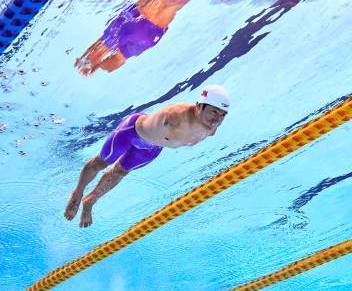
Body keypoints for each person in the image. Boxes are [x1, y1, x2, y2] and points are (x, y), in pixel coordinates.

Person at [64, 85, 229, 228]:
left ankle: (90, 201)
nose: (217, 119)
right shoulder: (175, 116)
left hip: (152, 148)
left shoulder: (211, 128)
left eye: (222, 115)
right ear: (199, 106)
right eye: (214, 111)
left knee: (119, 173)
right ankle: (78, 193)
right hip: (131, 132)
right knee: (100, 163)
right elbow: (168, 115)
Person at [75, 0, 211, 75]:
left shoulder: (110, 41)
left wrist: (97, 66)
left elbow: (114, 63)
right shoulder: (109, 40)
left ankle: (91, 62)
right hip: (140, 24)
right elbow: (113, 62)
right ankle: (91, 62)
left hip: (144, 27)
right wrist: (98, 65)